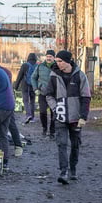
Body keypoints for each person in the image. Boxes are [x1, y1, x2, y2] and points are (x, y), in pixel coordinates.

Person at [45, 50, 91, 185]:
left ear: (68, 61)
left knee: (75, 145)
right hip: (60, 117)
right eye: (57, 61)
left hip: (76, 118)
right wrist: (55, 108)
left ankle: (73, 169)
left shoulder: (80, 76)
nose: (57, 64)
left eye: (60, 61)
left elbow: (86, 97)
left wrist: (83, 116)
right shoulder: (53, 76)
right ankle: (63, 171)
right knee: (62, 144)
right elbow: (49, 95)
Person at [0, 56, 24, 157]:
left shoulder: (4, 72)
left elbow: (2, 87)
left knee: (11, 124)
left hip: (6, 102)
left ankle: (18, 146)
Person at [31, 50, 57, 138]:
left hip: (54, 94)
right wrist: (35, 88)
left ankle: (52, 131)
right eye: (47, 56)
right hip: (43, 93)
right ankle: (44, 129)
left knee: (54, 113)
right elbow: (33, 78)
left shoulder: (57, 66)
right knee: (42, 112)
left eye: (51, 56)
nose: (49, 58)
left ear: (54, 57)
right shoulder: (40, 66)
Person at [14, 53, 37, 124]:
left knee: (26, 101)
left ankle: (28, 115)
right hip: (34, 86)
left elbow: (19, 76)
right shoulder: (37, 66)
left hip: (25, 86)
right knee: (32, 101)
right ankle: (32, 117)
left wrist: (16, 86)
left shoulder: (24, 65)